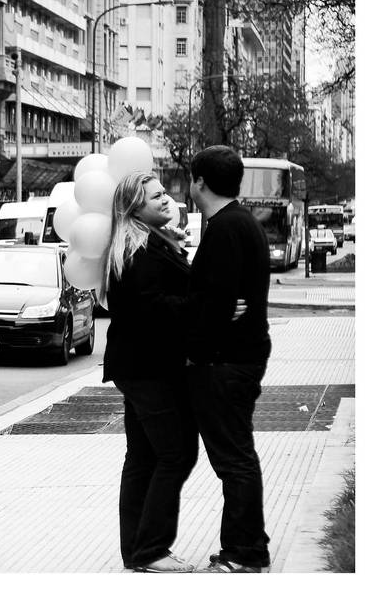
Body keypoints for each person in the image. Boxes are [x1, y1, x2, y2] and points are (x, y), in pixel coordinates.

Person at [102, 172, 198, 573]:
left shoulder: (150, 241)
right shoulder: (137, 250)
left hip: (142, 366)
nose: (165, 200)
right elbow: (153, 309)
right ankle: (151, 549)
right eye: (155, 196)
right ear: (133, 207)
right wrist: (201, 303)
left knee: (142, 457)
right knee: (176, 453)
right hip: (147, 368)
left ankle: (137, 550)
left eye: (164, 193)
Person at [187, 145, 272, 573]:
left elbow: (212, 303)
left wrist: (197, 349)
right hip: (241, 356)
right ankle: (247, 544)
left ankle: (246, 553)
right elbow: (220, 299)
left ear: (199, 182)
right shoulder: (241, 222)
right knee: (238, 456)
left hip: (226, 363)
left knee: (234, 459)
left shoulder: (224, 229)